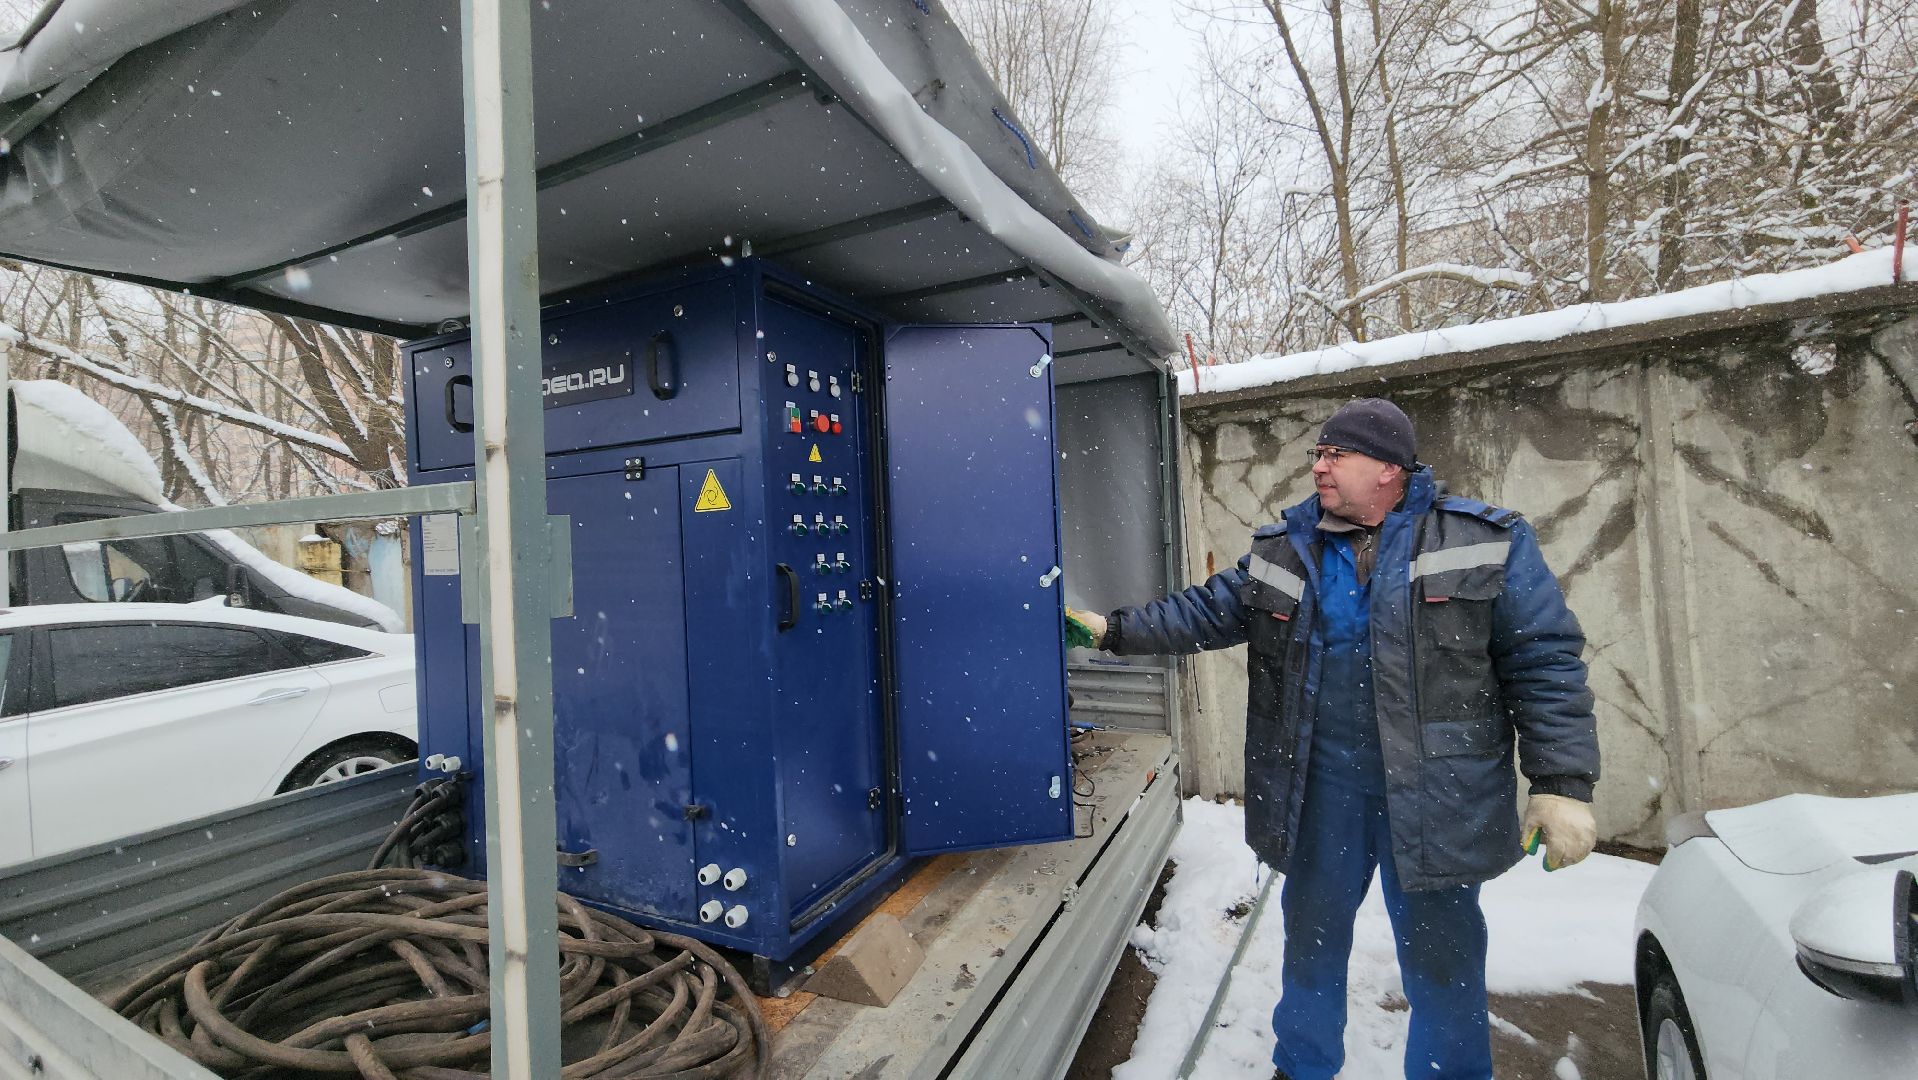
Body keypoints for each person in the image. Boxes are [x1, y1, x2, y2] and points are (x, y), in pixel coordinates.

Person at [1066, 397, 1599, 1080]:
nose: (1318, 466)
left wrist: (1561, 783)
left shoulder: (1483, 540)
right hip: (1322, 792)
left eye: (1336, 454)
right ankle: (1302, 1067)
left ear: (1389, 468)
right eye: (1317, 453)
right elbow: (1207, 611)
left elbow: (1543, 659)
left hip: (1437, 798)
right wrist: (1113, 630)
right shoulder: (1289, 548)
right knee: (1311, 945)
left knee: (1444, 960)